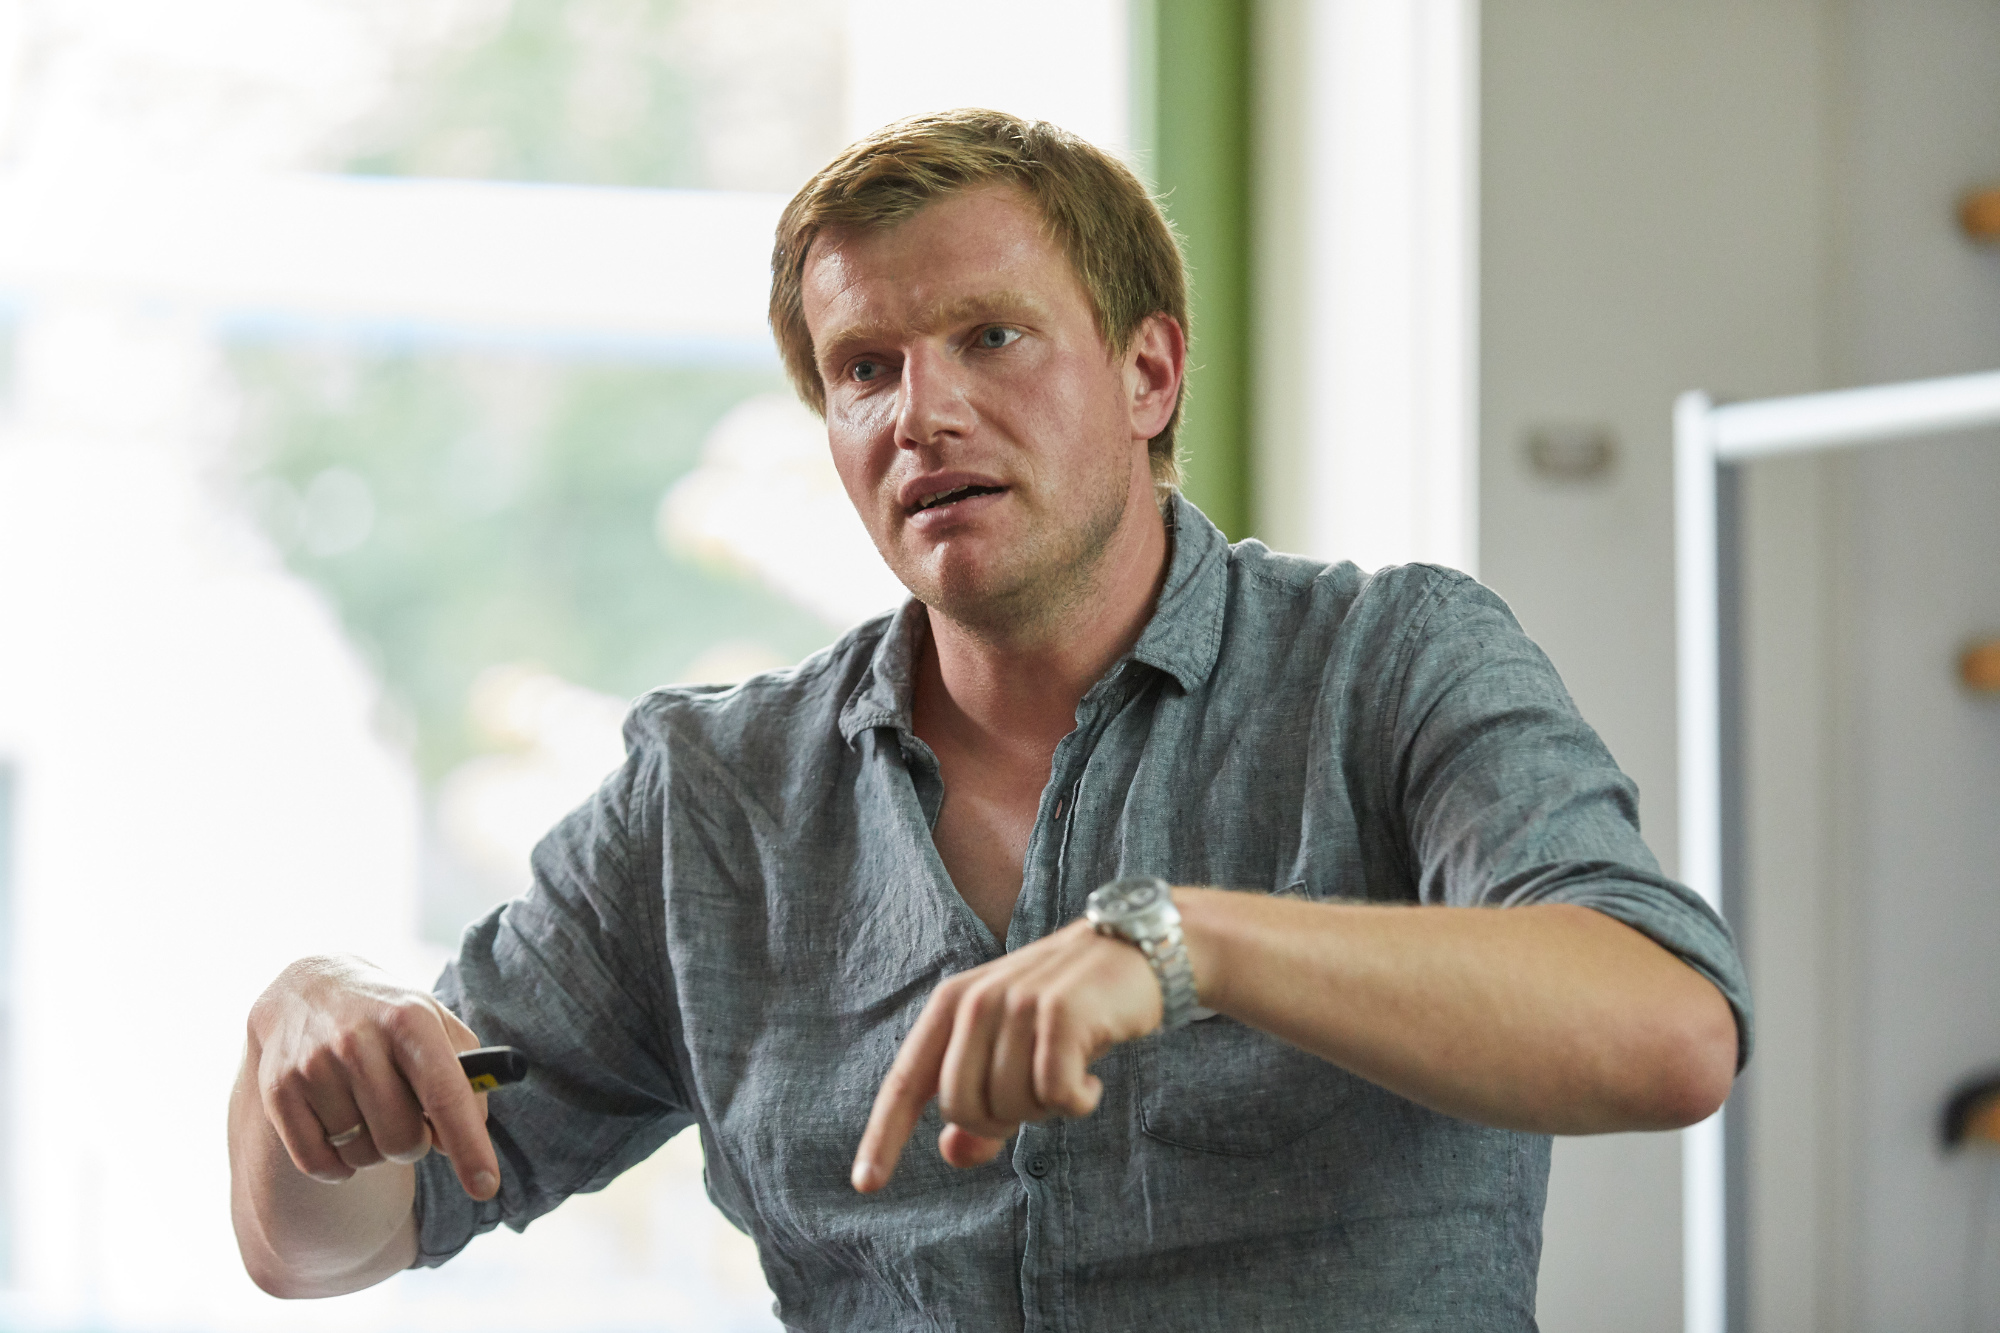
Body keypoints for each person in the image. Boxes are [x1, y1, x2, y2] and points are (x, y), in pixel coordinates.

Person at [229, 108, 1750, 1330]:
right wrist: (297, 1034)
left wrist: (1186, 945)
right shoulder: (710, 799)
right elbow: (328, 1243)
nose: (922, 413)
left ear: (1148, 373)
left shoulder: (1390, 663)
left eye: (990, 338)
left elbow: (1671, 1028)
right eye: (864, 370)